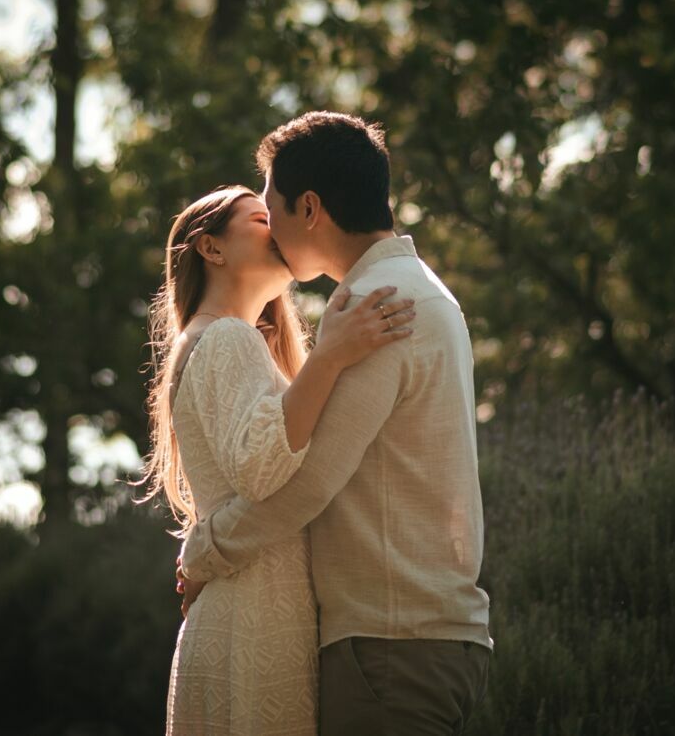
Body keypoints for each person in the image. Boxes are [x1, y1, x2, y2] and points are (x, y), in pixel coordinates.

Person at [180, 112, 493, 735]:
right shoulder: (420, 291)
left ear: (311, 208)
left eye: (272, 208)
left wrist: (205, 551)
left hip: (388, 643)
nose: (270, 230)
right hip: (414, 638)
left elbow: (309, 480)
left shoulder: (379, 304)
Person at [141, 183, 416, 735]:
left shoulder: (226, 341)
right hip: (252, 621)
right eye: (260, 217)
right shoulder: (225, 339)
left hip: (251, 611)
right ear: (211, 248)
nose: (280, 225)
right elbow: (264, 468)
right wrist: (333, 356)